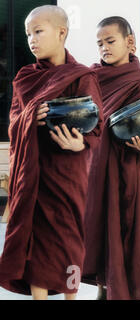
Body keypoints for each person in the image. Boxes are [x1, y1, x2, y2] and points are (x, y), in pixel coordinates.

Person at [0, 5, 103, 300]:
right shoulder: (25, 77)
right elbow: (14, 121)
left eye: (38, 31)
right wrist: (30, 116)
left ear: (61, 33)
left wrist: (80, 143)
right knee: (37, 243)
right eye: (28, 33)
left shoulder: (82, 76)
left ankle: (71, 297)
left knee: (69, 240)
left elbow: (97, 126)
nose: (32, 39)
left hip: (68, 171)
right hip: (33, 174)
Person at [82, 16, 140, 300]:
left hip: (131, 166)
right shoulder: (91, 77)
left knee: (136, 232)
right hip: (96, 169)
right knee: (100, 230)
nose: (104, 48)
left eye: (110, 41)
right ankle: (104, 289)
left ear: (129, 42)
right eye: (100, 44)